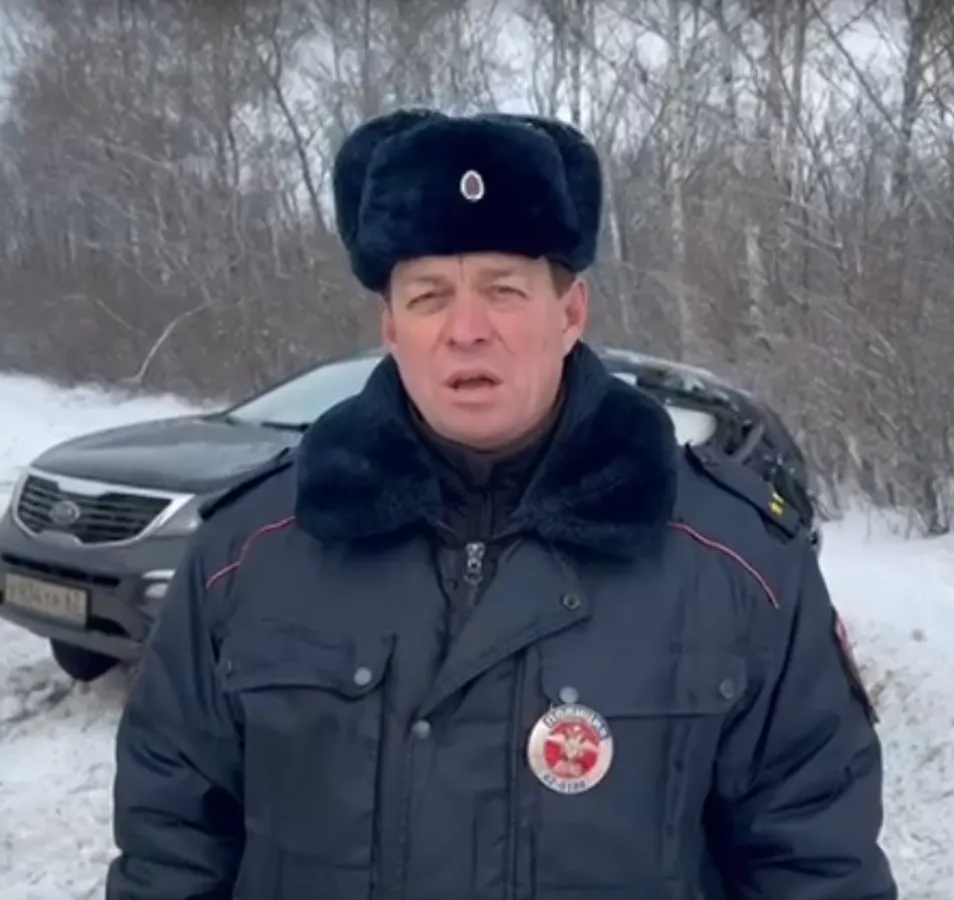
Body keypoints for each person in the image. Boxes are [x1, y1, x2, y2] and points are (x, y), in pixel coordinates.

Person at [105, 108, 897, 900]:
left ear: (571, 313)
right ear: (391, 326)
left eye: (504, 290)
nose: (467, 330)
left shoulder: (736, 564)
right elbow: (171, 852)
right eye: (428, 296)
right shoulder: (249, 555)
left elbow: (817, 866)